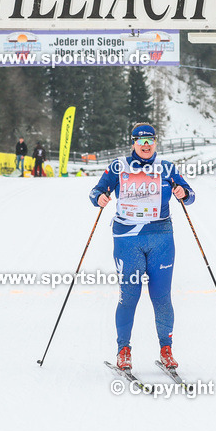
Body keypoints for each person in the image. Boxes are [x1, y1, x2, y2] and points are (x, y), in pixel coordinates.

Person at [89, 123, 195, 372]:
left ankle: (166, 350)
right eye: (141, 140)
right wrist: (99, 198)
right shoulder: (119, 166)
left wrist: (183, 192)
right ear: (133, 142)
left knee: (161, 297)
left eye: (150, 140)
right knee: (129, 296)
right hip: (127, 239)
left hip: (161, 238)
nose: (146, 145)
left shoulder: (166, 168)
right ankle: (123, 350)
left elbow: (190, 195)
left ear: (155, 142)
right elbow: (95, 191)